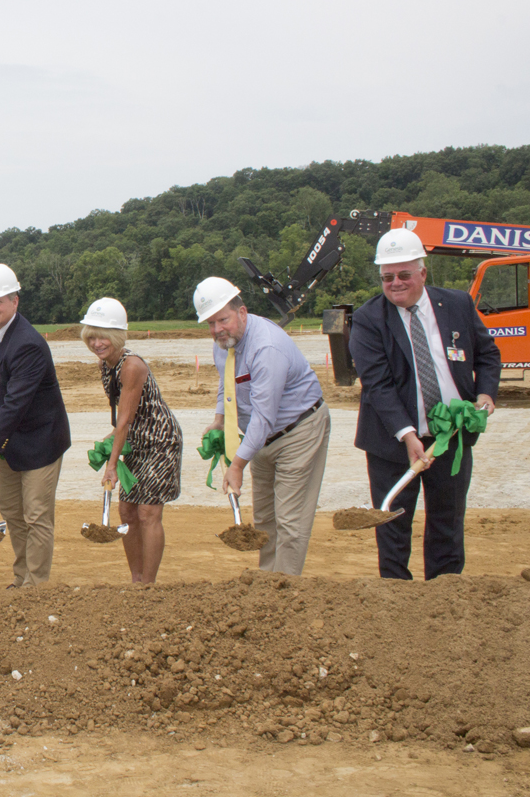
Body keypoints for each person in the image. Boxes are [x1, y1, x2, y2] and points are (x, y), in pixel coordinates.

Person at [349, 228, 500, 580]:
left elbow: (488, 354)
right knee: (392, 526)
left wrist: (486, 393)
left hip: (451, 438)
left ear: (422, 273)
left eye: (404, 274)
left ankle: (444, 595)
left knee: (447, 522)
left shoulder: (458, 304)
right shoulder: (369, 319)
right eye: (387, 277)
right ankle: (396, 600)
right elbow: (378, 386)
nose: (396, 283)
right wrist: (408, 435)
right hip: (392, 443)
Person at [196, 276, 330, 576]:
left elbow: (264, 416)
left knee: (290, 521)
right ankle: (269, 583)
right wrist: (219, 419)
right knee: (266, 518)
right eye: (210, 323)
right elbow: (226, 381)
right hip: (261, 439)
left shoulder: (266, 348)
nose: (217, 329)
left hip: (298, 431)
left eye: (223, 320)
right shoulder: (223, 343)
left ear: (241, 312)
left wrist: (237, 465)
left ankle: (283, 592)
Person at [0, 264, 71, 588]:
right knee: (12, 511)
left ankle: (35, 587)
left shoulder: (28, 344)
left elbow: (15, 403)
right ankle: (20, 579)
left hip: (41, 439)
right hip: (9, 438)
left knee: (37, 514)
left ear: (15, 301)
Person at [80, 298, 182, 583]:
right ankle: (137, 578)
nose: (97, 343)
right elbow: (122, 418)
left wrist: (112, 465)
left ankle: (148, 584)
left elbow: (124, 420)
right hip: (136, 442)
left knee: (148, 511)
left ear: (118, 336)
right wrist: (111, 442)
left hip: (161, 442)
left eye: (104, 337)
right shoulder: (106, 365)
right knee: (127, 510)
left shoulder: (131, 366)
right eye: (92, 336)